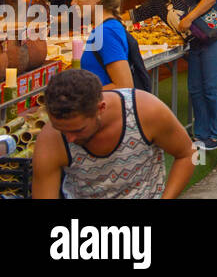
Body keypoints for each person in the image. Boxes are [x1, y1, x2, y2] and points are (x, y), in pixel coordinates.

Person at [33, 68, 195, 199]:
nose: (70, 138)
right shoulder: (51, 139)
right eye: (62, 130)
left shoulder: (146, 111)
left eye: (78, 130)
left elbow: (189, 154)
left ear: (100, 108)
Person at [130, 0, 217, 152]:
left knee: (212, 87)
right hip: (194, 43)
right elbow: (138, 14)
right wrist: (107, 17)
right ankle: (201, 134)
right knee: (195, 89)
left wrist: (189, 18)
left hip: (213, 38)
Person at [70, 0, 139, 90]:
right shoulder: (105, 28)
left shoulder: (106, 32)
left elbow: (125, 85)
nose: (73, 3)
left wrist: (81, 94)